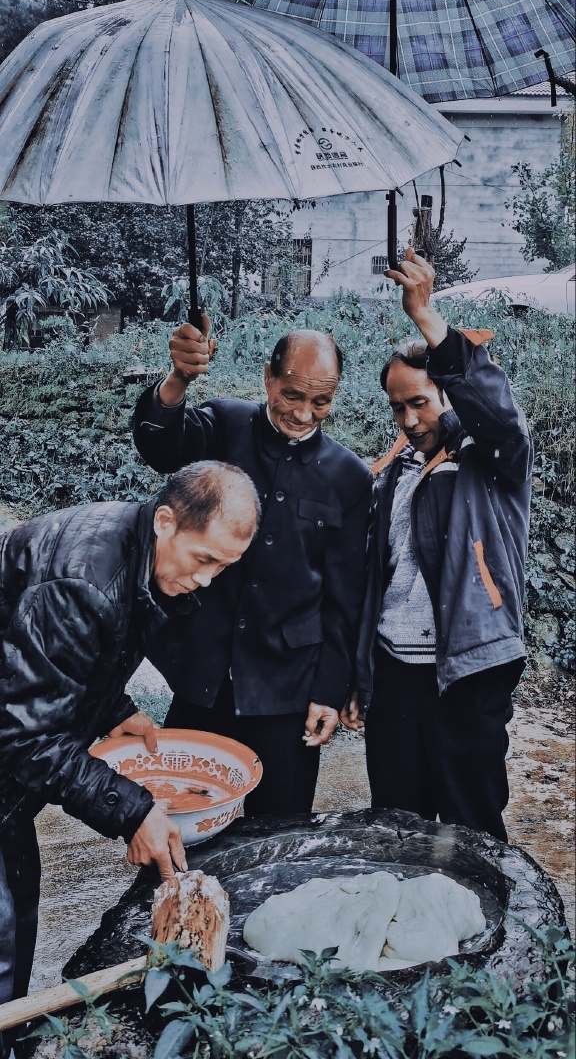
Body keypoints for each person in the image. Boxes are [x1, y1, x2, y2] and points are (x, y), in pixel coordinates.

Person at [0, 462, 260, 1015]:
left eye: (224, 566)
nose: (208, 579)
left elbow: (43, 664)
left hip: (10, 779)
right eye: (204, 559)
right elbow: (26, 737)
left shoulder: (137, 550)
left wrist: (114, 708)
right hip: (11, 750)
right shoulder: (82, 584)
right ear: (166, 521)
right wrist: (134, 811)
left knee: (17, 917)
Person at [132, 321, 372, 816]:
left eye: (321, 401)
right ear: (268, 377)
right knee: (182, 818)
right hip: (201, 676)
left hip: (287, 691)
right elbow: (161, 447)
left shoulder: (349, 477)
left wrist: (328, 692)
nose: (303, 414)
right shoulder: (224, 425)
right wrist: (178, 380)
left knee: (281, 836)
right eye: (292, 395)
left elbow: (344, 596)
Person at [342, 248, 532, 843]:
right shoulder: (389, 472)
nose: (408, 419)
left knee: (473, 831)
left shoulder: (491, 459)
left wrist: (427, 319)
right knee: (399, 829)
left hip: (468, 673)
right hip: (396, 674)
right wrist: (361, 674)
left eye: (419, 402)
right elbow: (376, 580)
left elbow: (498, 416)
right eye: (397, 407)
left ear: (449, 392)